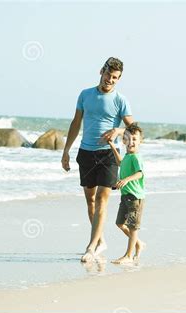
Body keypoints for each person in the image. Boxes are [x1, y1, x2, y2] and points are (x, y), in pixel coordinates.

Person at [61, 57, 134, 263]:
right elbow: (76, 123)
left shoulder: (121, 100)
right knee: (91, 201)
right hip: (86, 153)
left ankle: (91, 247)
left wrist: (119, 130)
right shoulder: (85, 95)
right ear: (101, 71)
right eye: (108, 75)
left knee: (103, 198)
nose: (110, 80)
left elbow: (134, 128)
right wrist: (66, 150)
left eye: (115, 78)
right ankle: (100, 240)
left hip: (108, 154)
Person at [107, 123, 146, 264]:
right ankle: (138, 244)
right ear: (124, 141)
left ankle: (129, 256)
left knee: (132, 226)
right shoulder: (127, 156)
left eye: (135, 139)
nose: (131, 142)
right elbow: (120, 162)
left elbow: (140, 174)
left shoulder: (136, 157)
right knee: (119, 223)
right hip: (126, 196)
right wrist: (111, 145)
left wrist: (125, 180)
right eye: (128, 139)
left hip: (135, 197)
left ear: (140, 141)